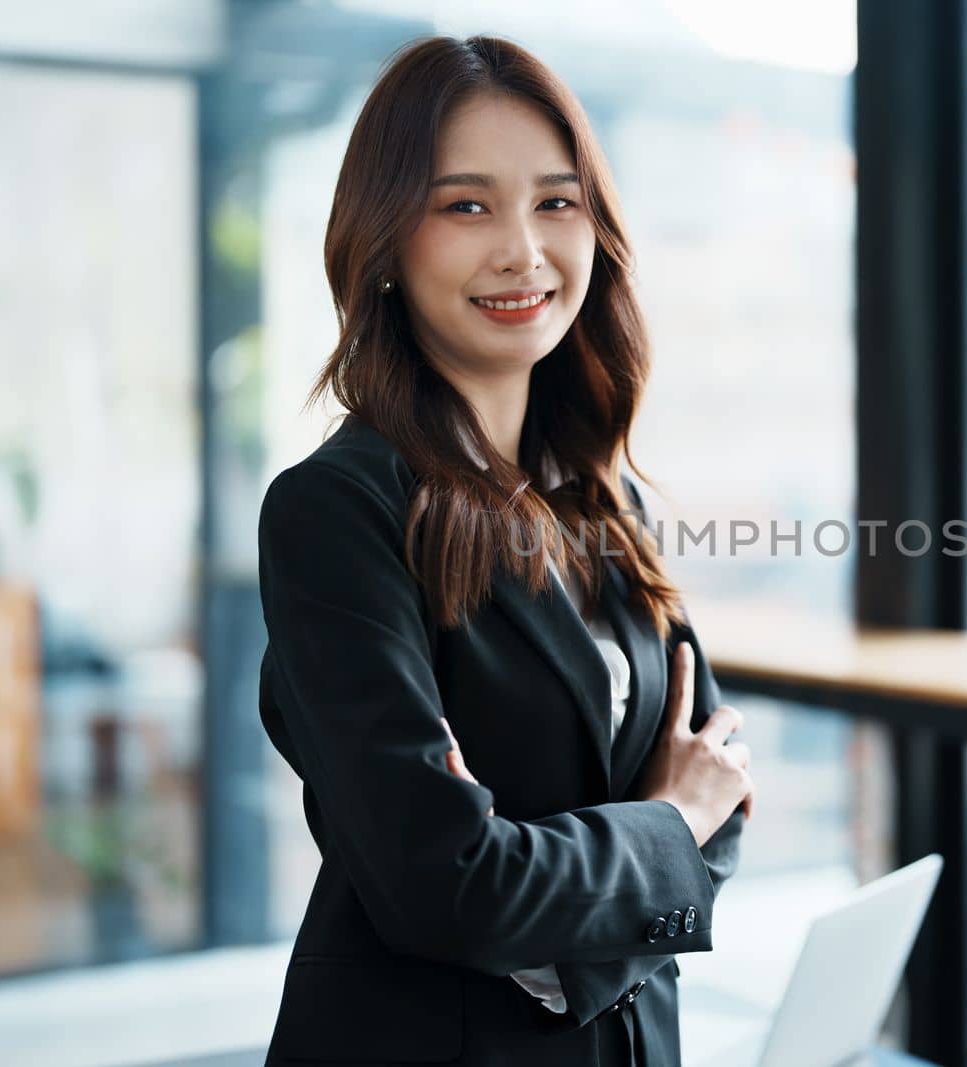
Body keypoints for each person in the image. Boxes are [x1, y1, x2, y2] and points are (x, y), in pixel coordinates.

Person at [255, 34, 754, 1067]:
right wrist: (669, 828)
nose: (522, 251)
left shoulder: (599, 495)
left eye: (556, 202)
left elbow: (722, 788)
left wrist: (611, 881)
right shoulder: (335, 513)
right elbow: (447, 884)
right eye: (465, 205)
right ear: (386, 240)